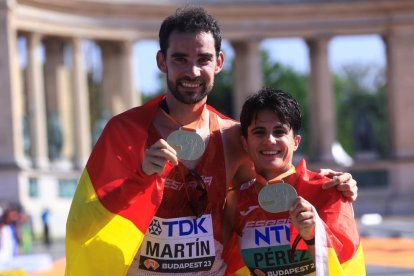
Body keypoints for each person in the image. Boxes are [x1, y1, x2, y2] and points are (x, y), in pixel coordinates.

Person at [65, 7, 358, 275]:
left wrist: (327, 184)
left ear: (218, 63)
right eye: (180, 59)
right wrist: (139, 180)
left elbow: (275, 189)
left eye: (203, 59)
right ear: (161, 61)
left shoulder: (234, 137)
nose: (192, 71)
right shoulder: (124, 132)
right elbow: (83, 225)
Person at [226, 88, 365, 275]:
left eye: (279, 131)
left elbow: (350, 267)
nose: (270, 140)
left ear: (296, 141)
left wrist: (313, 236)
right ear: (245, 143)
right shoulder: (234, 201)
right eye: (259, 132)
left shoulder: (328, 190)